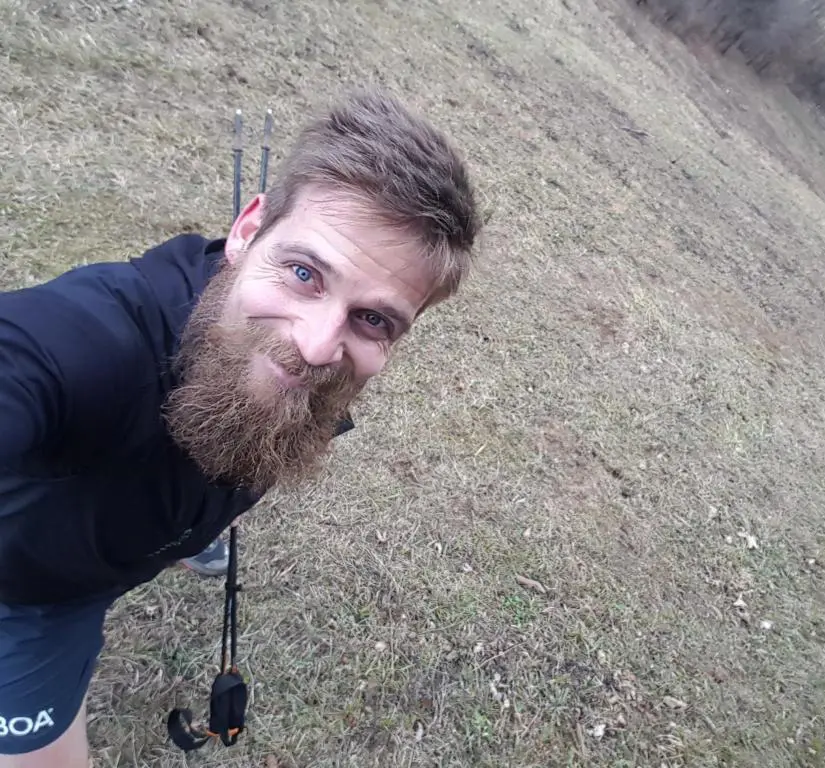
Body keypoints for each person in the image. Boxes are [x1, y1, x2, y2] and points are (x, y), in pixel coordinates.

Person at [0, 88, 480, 766]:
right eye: (305, 273)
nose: (317, 346)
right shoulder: (88, 343)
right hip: (29, 598)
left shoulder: (314, 366)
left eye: (373, 318)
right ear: (247, 230)